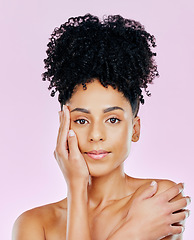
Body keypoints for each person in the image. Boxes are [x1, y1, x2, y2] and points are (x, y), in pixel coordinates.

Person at [12, 14, 191, 240]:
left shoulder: (159, 198)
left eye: (113, 119)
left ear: (135, 129)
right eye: (82, 120)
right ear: (63, 126)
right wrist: (130, 233)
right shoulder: (34, 224)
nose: (96, 135)